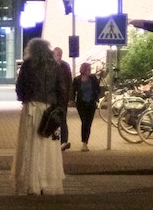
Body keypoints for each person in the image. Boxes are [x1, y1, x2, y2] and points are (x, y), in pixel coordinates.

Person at [12, 38, 66, 195]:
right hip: (49, 110)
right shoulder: (55, 66)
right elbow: (61, 89)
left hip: (32, 107)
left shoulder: (28, 65)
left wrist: (24, 98)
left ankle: (31, 182)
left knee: (31, 144)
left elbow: (20, 87)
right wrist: (60, 108)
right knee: (49, 146)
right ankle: (48, 182)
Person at [71, 61, 103, 150]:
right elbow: (73, 91)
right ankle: (84, 142)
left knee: (88, 123)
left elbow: (98, 89)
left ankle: (85, 142)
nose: (90, 71)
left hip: (91, 103)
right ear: (83, 70)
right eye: (88, 69)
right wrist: (72, 100)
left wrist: (96, 97)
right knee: (84, 122)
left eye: (90, 69)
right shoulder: (77, 80)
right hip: (81, 103)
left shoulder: (93, 78)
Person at [52, 45, 74, 149]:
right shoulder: (49, 66)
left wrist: (70, 98)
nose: (59, 57)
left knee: (62, 120)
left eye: (60, 55)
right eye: (57, 55)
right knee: (53, 119)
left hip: (62, 98)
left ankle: (64, 141)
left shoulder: (65, 66)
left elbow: (69, 82)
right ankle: (54, 141)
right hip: (53, 98)